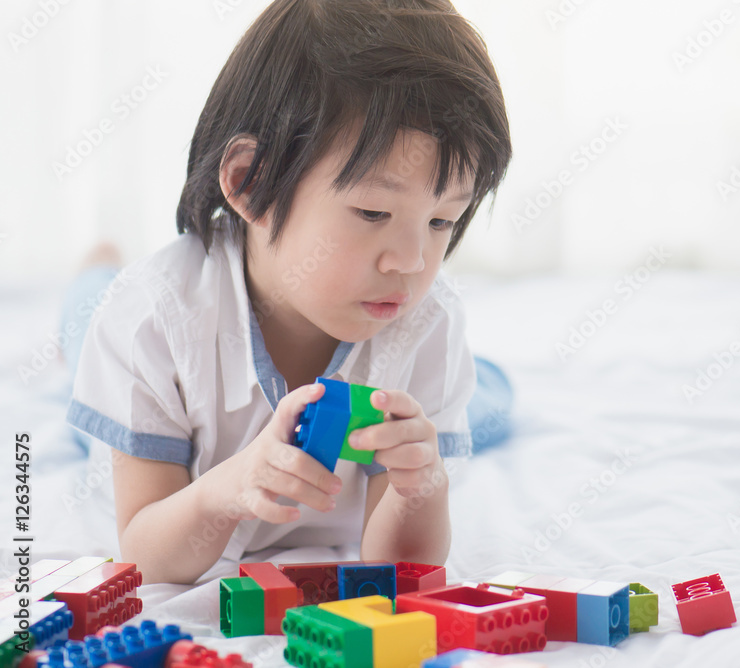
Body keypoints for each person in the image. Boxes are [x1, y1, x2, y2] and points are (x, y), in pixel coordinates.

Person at [64, 0, 513, 585]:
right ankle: (92, 271)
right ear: (251, 183)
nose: (412, 262)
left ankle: (490, 380)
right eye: (373, 211)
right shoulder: (151, 318)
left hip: (440, 372)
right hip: (124, 336)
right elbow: (144, 556)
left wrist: (417, 486)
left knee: (489, 409)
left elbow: (403, 569)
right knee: (83, 336)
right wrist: (228, 486)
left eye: (441, 221)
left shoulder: (428, 323)